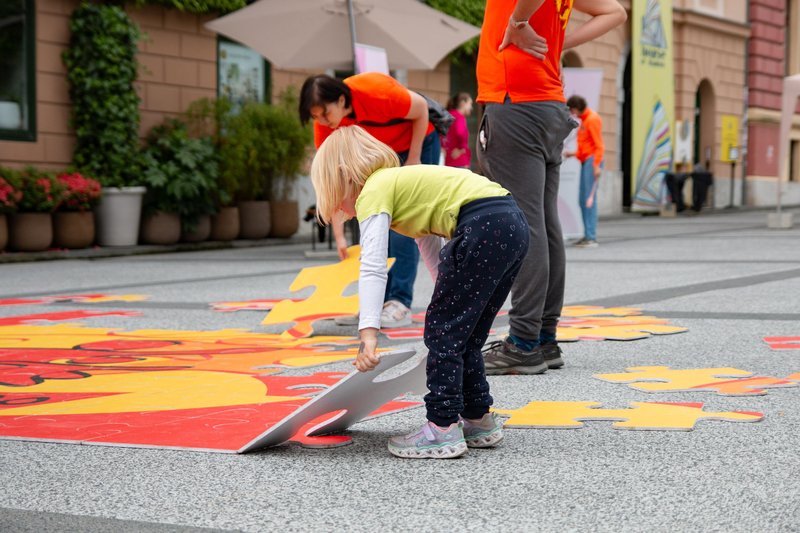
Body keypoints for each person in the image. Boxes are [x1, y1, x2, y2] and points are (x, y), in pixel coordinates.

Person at [310, 125, 529, 459]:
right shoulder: (404, 184)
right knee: (464, 333)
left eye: (335, 196)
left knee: (443, 333)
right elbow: (429, 242)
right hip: (510, 222)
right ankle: (478, 419)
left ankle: (441, 429)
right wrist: (449, 293)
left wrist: (368, 332)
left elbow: (372, 263)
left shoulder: (373, 190)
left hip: (482, 224)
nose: (342, 209)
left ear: (344, 176)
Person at [475, 0, 627, 374]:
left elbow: (615, 13)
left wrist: (518, 21)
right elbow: (617, 12)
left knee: (527, 225)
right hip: (547, 103)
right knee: (545, 224)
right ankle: (543, 338)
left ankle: (524, 342)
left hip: (516, 101)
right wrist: (560, 44)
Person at [299, 73, 441, 329]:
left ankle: (399, 302)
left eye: (325, 113)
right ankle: (375, 304)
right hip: (376, 156)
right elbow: (333, 184)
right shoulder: (326, 126)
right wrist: (340, 237)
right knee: (371, 220)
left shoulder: (376, 91)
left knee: (402, 224)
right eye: (315, 117)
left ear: (341, 100)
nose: (322, 121)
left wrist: (413, 159)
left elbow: (421, 108)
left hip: (414, 144)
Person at [565, 94, 604, 247]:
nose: (571, 114)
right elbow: (586, 147)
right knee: (583, 200)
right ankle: (587, 234)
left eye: (571, 111)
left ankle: (591, 236)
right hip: (587, 161)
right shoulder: (585, 121)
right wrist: (572, 154)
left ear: (575, 108)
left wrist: (596, 166)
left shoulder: (592, 119)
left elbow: (599, 145)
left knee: (589, 200)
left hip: (592, 162)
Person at [442, 92, 473, 168]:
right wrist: (462, 149)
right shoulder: (459, 117)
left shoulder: (447, 115)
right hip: (458, 160)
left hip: (447, 159)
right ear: (463, 103)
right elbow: (460, 133)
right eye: (470, 104)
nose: (471, 107)